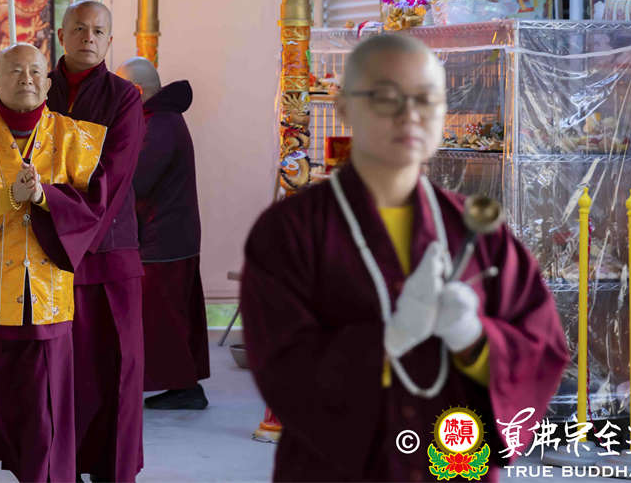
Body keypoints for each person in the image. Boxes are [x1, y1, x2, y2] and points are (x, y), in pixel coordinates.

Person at [241, 33, 568, 482]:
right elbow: (280, 366)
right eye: (385, 96)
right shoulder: (290, 232)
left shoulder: (479, 232)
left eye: (426, 99)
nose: (409, 114)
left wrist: (475, 339)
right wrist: (387, 341)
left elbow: (542, 348)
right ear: (344, 107)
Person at [0, 43, 109, 483]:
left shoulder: (78, 139)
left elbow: (94, 209)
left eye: (34, 70)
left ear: (48, 83)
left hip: (45, 295)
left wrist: (45, 197)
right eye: (14, 71)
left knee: (42, 404)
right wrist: (6, 197)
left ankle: (44, 473)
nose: (25, 78)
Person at [47, 0, 146, 483]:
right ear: (61, 35)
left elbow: (114, 173)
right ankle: (54, 466)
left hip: (106, 250)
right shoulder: (37, 88)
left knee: (116, 367)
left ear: (109, 40)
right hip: (43, 252)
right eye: (80, 28)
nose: (89, 37)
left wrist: (51, 203)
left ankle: (111, 471)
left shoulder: (124, 98)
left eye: (99, 31)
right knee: (54, 372)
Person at [114, 57, 210, 411]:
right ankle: (184, 383)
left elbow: (137, 181)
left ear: (137, 90)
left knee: (162, 317)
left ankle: (185, 388)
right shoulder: (159, 119)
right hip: (170, 234)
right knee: (170, 314)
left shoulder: (161, 125)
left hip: (163, 238)